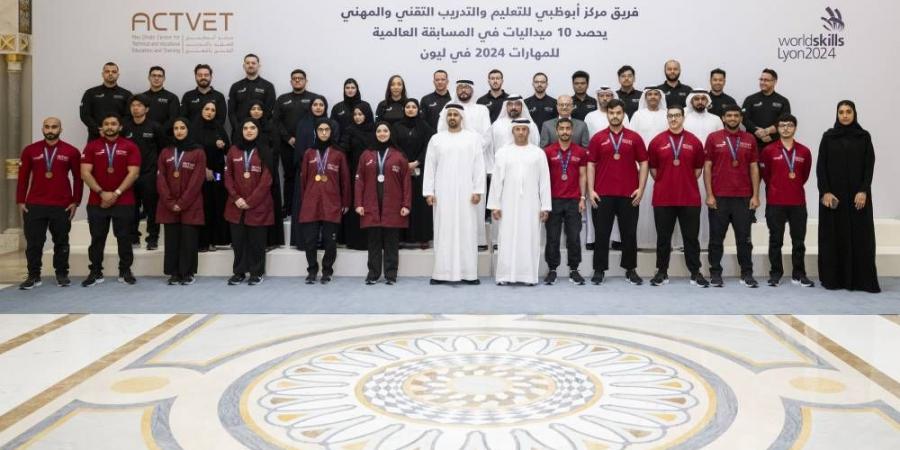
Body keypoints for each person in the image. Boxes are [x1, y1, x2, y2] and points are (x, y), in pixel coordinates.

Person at [817, 101, 880, 293]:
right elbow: (821, 167)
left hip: (857, 198)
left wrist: (863, 191)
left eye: (848, 112)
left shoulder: (863, 137)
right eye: (841, 112)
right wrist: (825, 191)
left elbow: (869, 166)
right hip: (833, 199)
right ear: (836, 114)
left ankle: (861, 280)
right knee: (833, 237)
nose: (844, 115)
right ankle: (834, 279)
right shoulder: (828, 137)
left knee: (862, 238)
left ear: (854, 113)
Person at [647, 106, 709, 287]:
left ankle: (695, 272)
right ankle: (661, 272)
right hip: (663, 198)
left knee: (691, 238)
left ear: (683, 117)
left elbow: (697, 170)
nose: (673, 119)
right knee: (663, 238)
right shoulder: (657, 142)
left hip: (689, 198)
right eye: (670, 116)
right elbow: (653, 171)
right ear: (667, 118)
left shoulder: (695, 142)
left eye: (677, 116)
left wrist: (683, 180)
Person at [587, 100, 648, 285]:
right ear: (607, 114)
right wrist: (590, 189)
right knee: (602, 234)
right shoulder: (598, 138)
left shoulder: (634, 137)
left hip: (629, 194)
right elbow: (591, 164)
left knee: (629, 234)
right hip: (603, 193)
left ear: (623, 114)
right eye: (611, 112)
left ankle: (630, 269)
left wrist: (641, 188)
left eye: (618, 112)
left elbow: (644, 162)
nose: (615, 116)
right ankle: (599, 270)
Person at [16, 118, 82, 289]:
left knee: (61, 241)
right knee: (34, 243)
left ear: (61, 129)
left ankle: (61, 274)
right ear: (42, 128)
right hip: (34, 204)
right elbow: (22, 177)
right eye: (47, 126)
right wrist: (21, 200)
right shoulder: (30, 150)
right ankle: (33, 276)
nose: (50, 129)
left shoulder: (71, 151)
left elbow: (78, 178)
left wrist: (76, 201)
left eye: (54, 126)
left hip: (62, 204)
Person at [423, 104, 486, 284]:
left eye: (455, 115)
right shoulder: (436, 139)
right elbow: (430, 167)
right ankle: (441, 274)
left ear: (462, 118)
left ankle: (469, 274)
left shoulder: (472, 139)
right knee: (444, 230)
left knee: (467, 230)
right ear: (445, 118)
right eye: (449, 114)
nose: (452, 117)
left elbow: (478, 166)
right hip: (443, 193)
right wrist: (429, 191)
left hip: (467, 193)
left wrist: (478, 190)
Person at [80, 113, 141, 287]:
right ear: (101, 128)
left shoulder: (130, 146)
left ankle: (125, 270)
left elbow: (134, 173)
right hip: (96, 201)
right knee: (97, 238)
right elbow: (85, 173)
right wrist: (101, 193)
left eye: (113, 123)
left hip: (124, 200)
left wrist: (115, 193)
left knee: (124, 237)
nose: (110, 127)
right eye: (106, 124)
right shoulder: (91, 147)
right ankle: (95, 271)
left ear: (120, 127)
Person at [489, 119, 551, 285]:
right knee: (506, 237)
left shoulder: (538, 153)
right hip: (507, 203)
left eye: (524, 129)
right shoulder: (503, 152)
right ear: (513, 131)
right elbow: (496, 181)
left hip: (531, 204)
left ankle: (528, 276)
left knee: (529, 237)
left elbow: (544, 181)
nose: (521, 132)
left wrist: (545, 206)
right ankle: (504, 276)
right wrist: (495, 205)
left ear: (529, 132)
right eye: (518, 129)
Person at [704, 104, 760, 288]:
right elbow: (708, 167)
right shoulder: (713, 138)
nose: (733, 118)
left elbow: (754, 168)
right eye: (729, 115)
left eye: (736, 115)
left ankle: (747, 273)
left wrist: (756, 195)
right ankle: (715, 273)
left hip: (743, 198)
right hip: (719, 197)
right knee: (716, 239)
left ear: (741, 118)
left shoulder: (750, 139)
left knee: (744, 239)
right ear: (723, 118)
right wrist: (709, 194)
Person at [760, 113, 814, 288]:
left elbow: (803, 175)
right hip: (776, 202)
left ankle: (799, 274)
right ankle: (775, 274)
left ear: (795, 128)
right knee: (775, 240)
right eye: (782, 125)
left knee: (799, 242)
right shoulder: (768, 150)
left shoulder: (804, 151)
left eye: (789, 125)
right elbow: (766, 176)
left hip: (798, 202)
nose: (786, 128)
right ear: (778, 128)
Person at [437, 80, 492, 249]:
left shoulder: (482, 109)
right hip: (451, 163)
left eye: (466, 87)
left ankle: (477, 241)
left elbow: (487, 137)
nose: (463, 90)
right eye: (460, 87)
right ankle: (454, 241)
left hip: (475, 162)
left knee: (475, 202)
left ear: (472, 91)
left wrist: (468, 147)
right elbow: (441, 133)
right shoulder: (448, 108)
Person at [356, 122, 412, 284]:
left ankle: (390, 274)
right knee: (373, 242)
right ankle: (373, 274)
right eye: (379, 131)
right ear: (375, 133)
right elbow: (359, 181)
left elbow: (406, 183)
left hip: (393, 207)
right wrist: (358, 203)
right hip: (371, 206)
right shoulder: (366, 155)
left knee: (391, 243)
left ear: (390, 133)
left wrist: (406, 205)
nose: (382, 133)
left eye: (385, 130)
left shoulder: (399, 156)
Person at [298, 119, 351, 284]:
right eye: (320, 130)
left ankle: (327, 271)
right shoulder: (308, 153)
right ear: (316, 132)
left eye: (326, 130)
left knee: (330, 241)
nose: (323, 133)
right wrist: (305, 200)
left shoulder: (338, 154)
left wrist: (346, 202)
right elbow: (304, 180)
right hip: (311, 203)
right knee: (310, 241)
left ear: (331, 132)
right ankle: (312, 270)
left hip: (332, 203)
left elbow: (345, 181)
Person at [224, 118, 274, 286]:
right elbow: (227, 177)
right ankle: (239, 272)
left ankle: (256, 272)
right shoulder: (233, 151)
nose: (249, 131)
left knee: (257, 242)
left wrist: (250, 201)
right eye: (245, 128)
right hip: (235, 205)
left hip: (258, 206)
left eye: (253, 127)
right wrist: (236, 197)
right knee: (238, 243)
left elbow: (266, 180)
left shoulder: (265, 151)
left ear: (258, 130)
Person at [156, 118, 206, 285]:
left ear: (188, 129)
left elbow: (197, 180)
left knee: (189, 240)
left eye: (182, 127)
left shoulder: (198, 152)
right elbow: (161, 179)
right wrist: (170, 202)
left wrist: (182, 202)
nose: (179, 131)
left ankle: (188, 272)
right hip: (168, 205)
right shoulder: (166, 152)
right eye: (176, 128)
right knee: (172, 240)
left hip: (190, 204)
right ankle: (174, 273)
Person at [274, 69, 325, 219]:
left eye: (300, 78)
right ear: (291, 81)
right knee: (290, 176)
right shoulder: (282, 99)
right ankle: (288, 207)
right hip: (287, 145)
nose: (297, 81)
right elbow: (276, 121)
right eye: (294, 79)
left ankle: (308, 206)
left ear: (305, 81)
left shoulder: (313, 98)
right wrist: (288, 138)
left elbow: (320, 119)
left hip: (310, 147)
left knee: (311, 177)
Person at [543, 118, 587, 285]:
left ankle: (574, 269)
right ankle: (552, 269)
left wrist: (583, 197)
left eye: (568, 128)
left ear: (572, 131)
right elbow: (543, 178)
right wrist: (544, 202)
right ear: (556, 131)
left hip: (573, 200)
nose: (565, 131)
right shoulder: (547, 152)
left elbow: (583, 176)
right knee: (552, 237)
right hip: (553, 200)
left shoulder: (580, 152)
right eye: (561, 128)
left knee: (574, 237)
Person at [291, 97, 340, 248]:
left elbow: (335, 145)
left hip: (328, 176)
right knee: (306, 209)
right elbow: (299, 148)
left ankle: (325, 242)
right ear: (310, 107)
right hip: (308, 173)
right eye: (315, 105)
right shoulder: (302, 124)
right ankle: (305, 242)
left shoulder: (332, 124)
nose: (318, 107)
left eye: (321, 105)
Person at [122, 94, 165, 250]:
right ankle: (133, 237)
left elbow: (163, 150)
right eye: (133, 105)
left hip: (149, 174)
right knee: (131, 207)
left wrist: (159, 171)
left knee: (152, 208)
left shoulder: (155, 127)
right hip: (129, 176)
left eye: (139, 105)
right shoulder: (124, 127)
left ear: (146, 109)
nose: (136, 108)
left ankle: (152, 238)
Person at [392, 99, 435, 248]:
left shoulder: (425, 127)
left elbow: (429, 147)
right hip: (400, 170)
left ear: (418, 109)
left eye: (413, 107)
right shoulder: (396, 127)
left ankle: (423, 237)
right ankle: (400, 238)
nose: (410, 109)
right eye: (408, 107)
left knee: (420, 204)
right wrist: (405, 163)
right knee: (401, 202)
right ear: (404, 109)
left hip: (420, 170)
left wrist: (417, 162)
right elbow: (394, 146)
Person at [684, 90, 724, 249]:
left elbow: (721, 141)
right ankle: (686, 241)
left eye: (702, 99)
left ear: (707, 101)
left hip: (710, 168)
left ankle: (707, 241)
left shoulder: (715, 120)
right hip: (689, 169)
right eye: (696, 99)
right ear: (691, 101)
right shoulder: (684, 119)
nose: (700, 101)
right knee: (689, 207)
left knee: (709, 202)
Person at [630, 87, 669, 249]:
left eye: (656, 94)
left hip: (664, 167)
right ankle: (640, 241)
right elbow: (631, 139)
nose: (653, 97)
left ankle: (662, 242)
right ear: (645, 98)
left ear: (660, 97)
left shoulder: (667, 115)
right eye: (650, 94)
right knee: (642, 202)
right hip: (641, 166)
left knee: (663, 206)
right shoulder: (638, 115)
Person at [192, 101, 231, 251]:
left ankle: (216, 240)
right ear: (201, 111)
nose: (209, 112)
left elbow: (228, 149)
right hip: (201, 174)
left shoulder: (219, 128)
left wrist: (223, 145)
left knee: (217, 201)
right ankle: (203, 242)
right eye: (207, 109)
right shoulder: (195, 129)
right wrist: (204, 169)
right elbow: (193, 151)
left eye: (213, 110)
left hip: (217, 174)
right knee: (204, 204)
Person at [248, 100, 284, 249]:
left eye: (259, 109)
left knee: (270, 204)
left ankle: (272, 240)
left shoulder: (271, 128)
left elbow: (275, 150)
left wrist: (266, 166)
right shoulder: (244, 128)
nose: (256, 111)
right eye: (253, 108)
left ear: (264, 112)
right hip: (249, 175)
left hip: (268, 172)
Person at [340, 106, 377, 250]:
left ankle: (371, 240)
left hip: (373, 172)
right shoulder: (349, 130)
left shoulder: (375, 130)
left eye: (360, 114)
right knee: (357, 204)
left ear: (367, 115)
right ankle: (355, 240)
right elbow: (343, 149)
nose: (357, 117)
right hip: (355, 172)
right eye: (355, 114)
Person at [228, 54, 276, 141]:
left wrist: (259, 129)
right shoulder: (235, 86)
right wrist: (239, 128)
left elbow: (269, 111)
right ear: (244, 66)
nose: (250, 65)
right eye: (248, 63)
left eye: (253, 63)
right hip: (239, 133)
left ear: (258, 66)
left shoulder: (268, 86)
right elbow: (231, 112)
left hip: (262, 133)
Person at [80, 62, 132, 141]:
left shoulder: (126, 94)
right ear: (102, 74)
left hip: (119, 137)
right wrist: (98, 130)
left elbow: (129, 115)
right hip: (96, 136)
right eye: (107, 71)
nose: (110, 74)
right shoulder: (90, 93)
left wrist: (117, 129)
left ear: (118, 75)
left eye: (114, 72)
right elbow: (85, 114)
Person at [742, 68, 791, 150]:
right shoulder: (750, 99)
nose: (762, 82)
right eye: (761, 79)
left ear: (774, 82)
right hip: (752, 144)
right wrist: (756, 131)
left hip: (774, 143)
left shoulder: (783, 101)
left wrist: (768, 131)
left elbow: (785, 121)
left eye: (766, 80)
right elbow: (744, 118)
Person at [142, 66, 180, 133]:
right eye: (154, 75)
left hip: (164, 136)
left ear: (164, 78)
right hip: (143, 134)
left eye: (160, 76)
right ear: (149, 78)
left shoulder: (172, 97)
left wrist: (159, 131)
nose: (156, 78)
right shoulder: (142, 97)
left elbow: (173, 119)